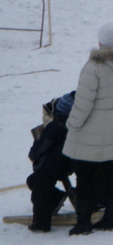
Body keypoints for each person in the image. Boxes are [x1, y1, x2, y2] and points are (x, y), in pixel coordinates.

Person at [63, 23, 113, 235]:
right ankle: (110, 219)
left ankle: (83, 223)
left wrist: (72, 124)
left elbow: (83, 103)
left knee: (85, 176)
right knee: (112, 172)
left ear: (101, 42)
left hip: (89, 132)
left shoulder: (93, 67)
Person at [26, 91, 76, 232]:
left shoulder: (55, 127)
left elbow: (39, 149)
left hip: (50, 167)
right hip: (70, 163)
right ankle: (56, 198)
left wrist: (35, 152)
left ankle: (40, 224)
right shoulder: (76, 127)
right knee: (32, 181)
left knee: (40, 191)